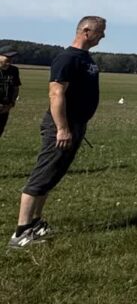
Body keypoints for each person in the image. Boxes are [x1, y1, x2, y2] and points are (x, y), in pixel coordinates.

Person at [9, 16, 105, 250]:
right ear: (86, 31)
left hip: (76, 124)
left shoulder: (85, 58)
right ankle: (20, 232)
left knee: (52, 175)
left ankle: (35, 223)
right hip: (61, 126)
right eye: (100, 31)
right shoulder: (67, 58)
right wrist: (62, 128)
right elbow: (56, 93)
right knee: (42, 175)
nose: (103, 36)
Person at [0, 48, 22, 138]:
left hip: (5, 108)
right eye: (7, 57)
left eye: (12, 57)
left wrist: (11, 104)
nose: (10, 60)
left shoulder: (14, 70)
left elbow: (16, 87)